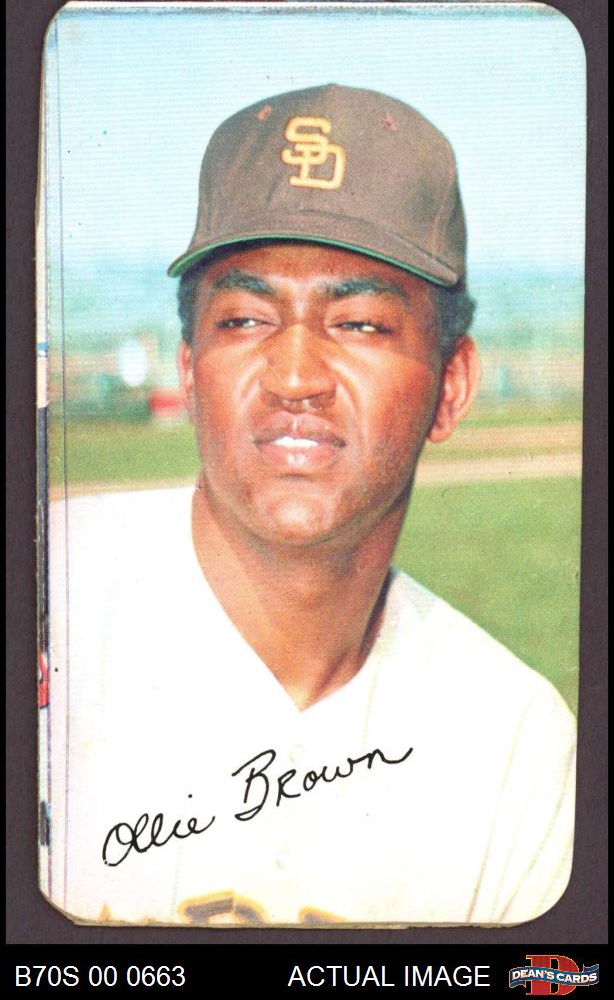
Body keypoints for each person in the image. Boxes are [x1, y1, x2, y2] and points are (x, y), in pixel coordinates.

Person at [45, 84, 575, 927]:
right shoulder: (45, 608)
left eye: (359, 324)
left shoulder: (516, 746)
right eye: (246, 319)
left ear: (451, 385)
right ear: (189, 372)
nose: (294, 377)